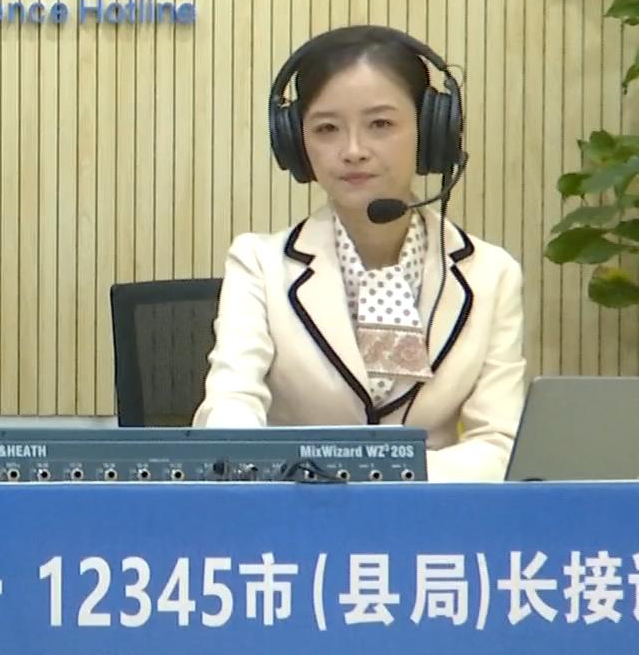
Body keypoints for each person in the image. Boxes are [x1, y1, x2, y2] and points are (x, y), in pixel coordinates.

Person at [195, 25, 526, 481]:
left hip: (434, 514)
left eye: (381, 125)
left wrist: (374, 478)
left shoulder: (491, 273)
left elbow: (500, 444)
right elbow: (230, 410)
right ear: (296, 143)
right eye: (327, 129)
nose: (353, 151)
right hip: (296, 514)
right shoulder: (259, 264)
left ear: (430, 131)